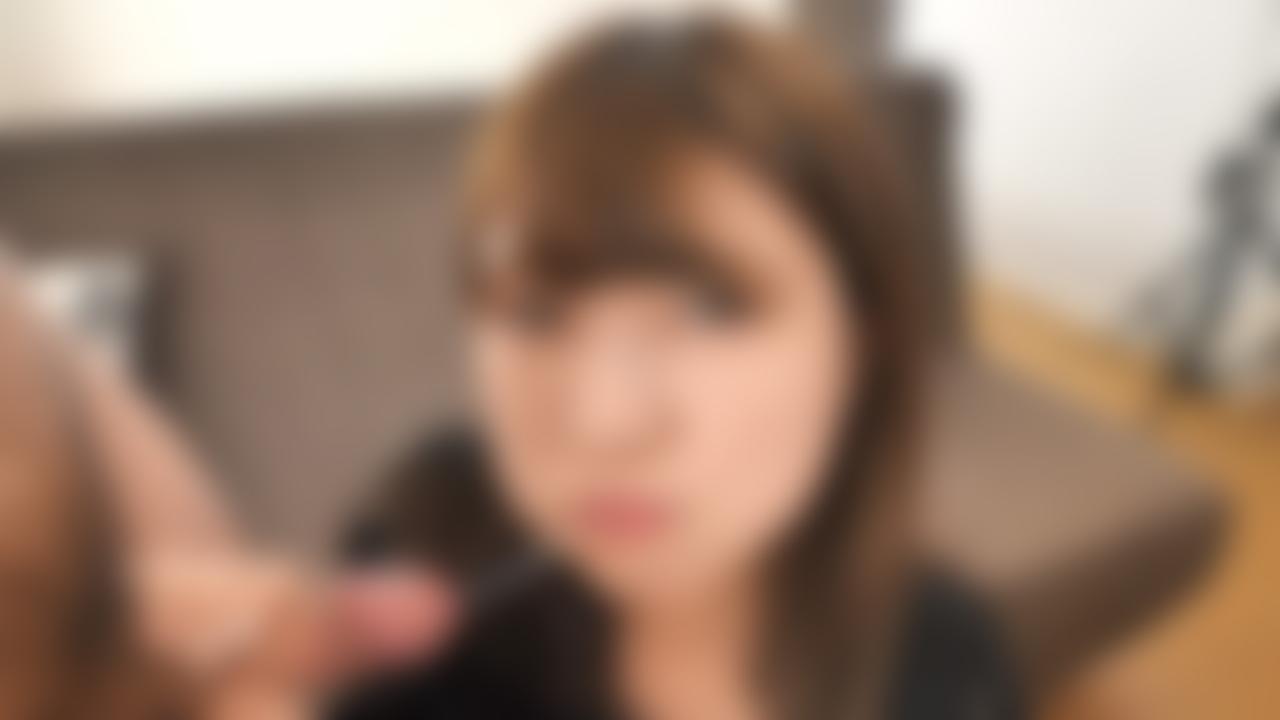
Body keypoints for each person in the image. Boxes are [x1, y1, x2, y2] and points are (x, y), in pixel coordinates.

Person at [336, 15, 1024, 720]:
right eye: (535, 312)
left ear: (861, 345)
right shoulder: (418, 583)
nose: (604, 420)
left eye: (712, 308)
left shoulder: (947, 659)